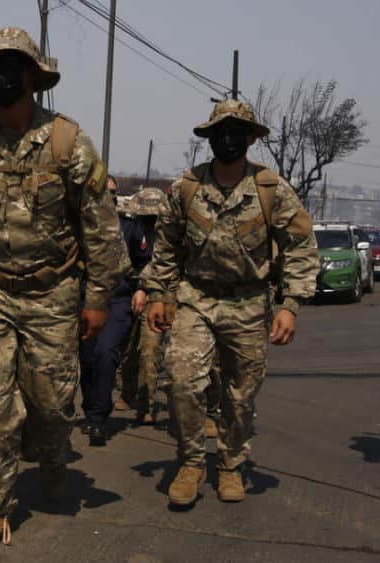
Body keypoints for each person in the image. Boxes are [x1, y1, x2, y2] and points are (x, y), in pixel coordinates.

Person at [0, 28, 125, 553]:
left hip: (54, 294)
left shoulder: (68, 142)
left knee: (52, 405)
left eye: (13, 64)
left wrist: (98, 299)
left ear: (35, 75)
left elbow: (101, 229)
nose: (1, 74)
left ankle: (55, 457)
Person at [141, 99, 318, 506]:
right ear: (209, 137)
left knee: (240, 394)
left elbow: (301, 245)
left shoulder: (270, 188)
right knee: (182, 381)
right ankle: (189, 462)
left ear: (252, 138)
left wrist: (291, 303)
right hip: (196, 299)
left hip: (249, 304)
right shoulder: (187, 187)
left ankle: (231, 466)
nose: (228, 138)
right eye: (220, 131)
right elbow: (166, 245)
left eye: (237, 131)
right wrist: (157, 294)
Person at [79, 179, 155, 445]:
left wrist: (141, 289)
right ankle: (90, 408)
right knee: (86, 359)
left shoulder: (130, 228)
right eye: (103, 192)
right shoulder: (80, 227)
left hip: (118, 300)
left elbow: (145, 263)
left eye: (113, 193)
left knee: (105, 353)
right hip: (84, 301)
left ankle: (99, 418)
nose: (109, 197)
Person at [116, 187, 167, 426]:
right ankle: (128, 392)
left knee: (150, 350)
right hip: (127, 292)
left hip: (157, 297)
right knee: (127, 350)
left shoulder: (169, 234)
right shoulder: (127, 228)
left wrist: (146, 288)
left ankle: (146, 404)